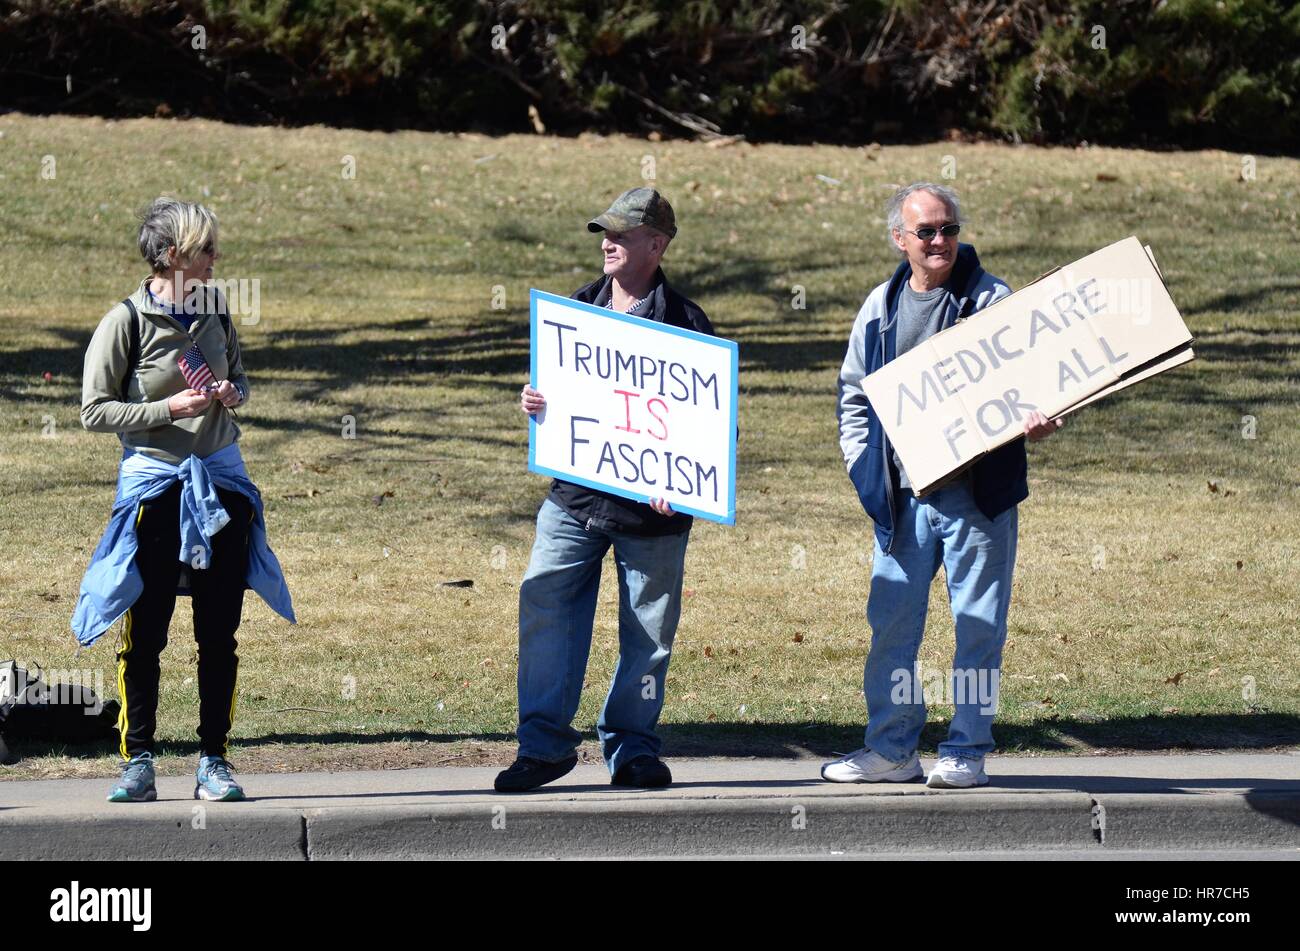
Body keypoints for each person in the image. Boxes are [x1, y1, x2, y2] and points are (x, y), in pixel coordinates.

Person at [826, 182, 1062, 789]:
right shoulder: (880, 306)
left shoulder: (992, 300)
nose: (940, 242)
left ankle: (967, 750)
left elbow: (1035, 380)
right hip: (902, 501)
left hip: (973, 497)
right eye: (926, 232)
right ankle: (892, 750)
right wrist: (864, 472)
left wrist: (1038, 416)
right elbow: (854, 394)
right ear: (900, 239)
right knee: (892, 630)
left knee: (977, 626)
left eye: (949, 229)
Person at [73, 197, 295, 803]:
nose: (216, 259)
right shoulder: (126, 321)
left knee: (218, 631)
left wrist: (231, 392)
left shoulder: (216, 310)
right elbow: (94, 409)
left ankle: (213, 762)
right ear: (171, 257)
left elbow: (242, 381)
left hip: (221, 486)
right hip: (155, 485)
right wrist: (167, 409)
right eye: (205, 250)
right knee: (145, 631)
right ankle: (138, 762)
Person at [495, 187, 714, 792]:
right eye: (603, 233)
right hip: (573, 501)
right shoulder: (572, 315)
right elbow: (555, 399)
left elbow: (710, 427)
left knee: (648, 636)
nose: (607, 243)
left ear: (657, 243)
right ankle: (542, 749)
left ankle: (633, 750)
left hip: (654, 516)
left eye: (620, 234)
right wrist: (534, 402)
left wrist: (686, 484)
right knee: (545, 614)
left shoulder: (688, 323)